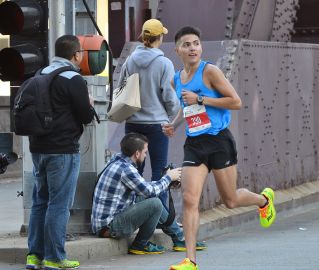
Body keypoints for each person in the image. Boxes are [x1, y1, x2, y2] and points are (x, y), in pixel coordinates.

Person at [164, 26, 276, 270]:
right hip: (194, 143)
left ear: (200, 47)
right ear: (178, 50)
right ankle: (190, 261)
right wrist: (174, 124)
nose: (193, 48)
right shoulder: (176, 78)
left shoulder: (210, 71)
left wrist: (202, 98)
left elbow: (235, 101)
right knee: (189, 198)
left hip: (219, 141)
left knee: (231, 200)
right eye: (187, 44)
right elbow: (187, 106)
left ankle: (263, 201)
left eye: (196, 43)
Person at [26, 35, 95, 270]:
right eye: (81, 53)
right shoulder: (73, 78)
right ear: (76, 55)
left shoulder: (41, 74)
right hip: (63, 150)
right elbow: (86, 116)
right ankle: (55, 257)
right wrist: (90, 103)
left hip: (38, 148)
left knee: (40, 202)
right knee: (59, 204)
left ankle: (34, 256)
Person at [91, 133, 206, 255]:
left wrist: (167, 181)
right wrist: (168, 178)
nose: (146, 155)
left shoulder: (118, 160)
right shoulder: (126, 169)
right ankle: (140, 244)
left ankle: (180, 239)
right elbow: (149, 191)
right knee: (154, 203)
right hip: (109, 227)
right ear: (137, 153)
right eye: (145, 152)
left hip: (107, 223)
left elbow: (144, 188)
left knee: (148, 198)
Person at [117, 19, 180, 207]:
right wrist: (172, 113)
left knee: (133, 170)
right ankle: (160, 217)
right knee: (159, 172)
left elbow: (121, 87)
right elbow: (169, 95)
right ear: (159, 37)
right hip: (157, 124)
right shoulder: (164, 63)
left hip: (133, 123)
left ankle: (133, 210)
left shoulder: (130, 60)